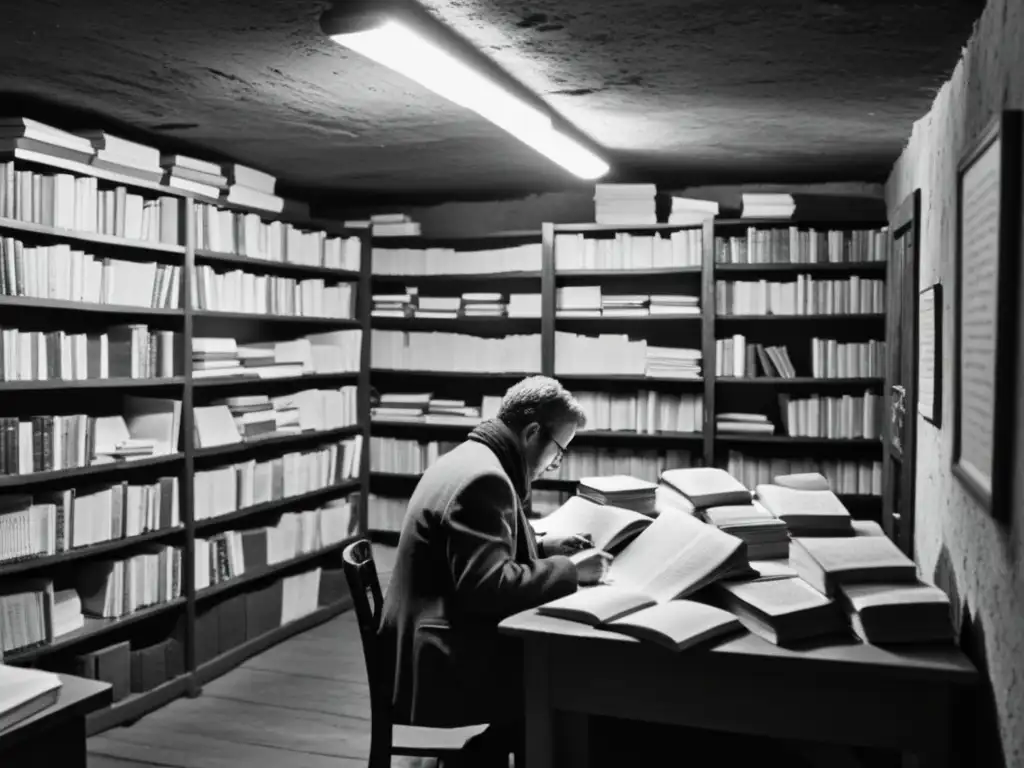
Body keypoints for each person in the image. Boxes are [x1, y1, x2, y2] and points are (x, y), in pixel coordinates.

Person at [378, 375, 610, 767]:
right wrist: (569, 571)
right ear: (532, 432)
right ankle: (476, 759)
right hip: (441, 659)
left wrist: (542, 547)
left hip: (423, 636)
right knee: (567, 681)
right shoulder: (485, 479)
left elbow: (476, 550)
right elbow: (488, 587)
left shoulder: (472, 457)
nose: (556, 463)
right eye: (558, 450)